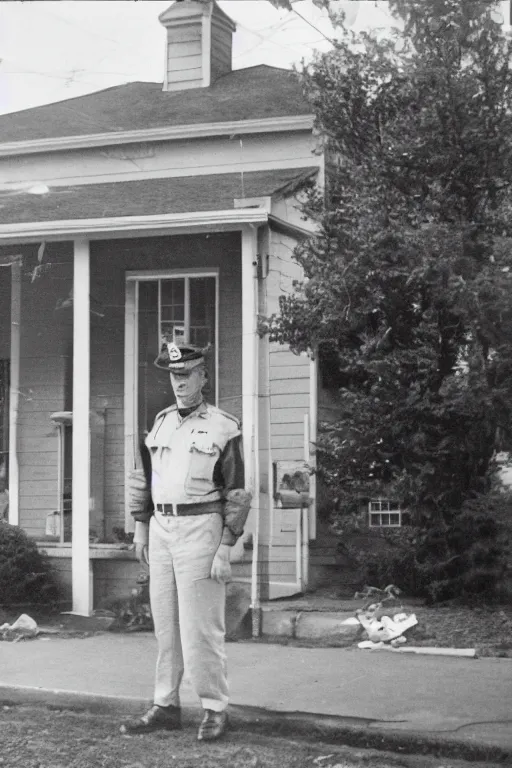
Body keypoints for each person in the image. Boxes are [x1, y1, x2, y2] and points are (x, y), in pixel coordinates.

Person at [121, 342, 251, 742]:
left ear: (203, 378)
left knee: (201, 628)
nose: (180, 383)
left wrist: (227, 545)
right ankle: (166, 705)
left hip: (202, 529)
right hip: (162, 530)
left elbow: (238, 492)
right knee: (166, 626)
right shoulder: (159, 424)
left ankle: (215, 708)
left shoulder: (223, 427)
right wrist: (141, 527)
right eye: (175, 376)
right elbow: (143, 478)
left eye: (188, 375)